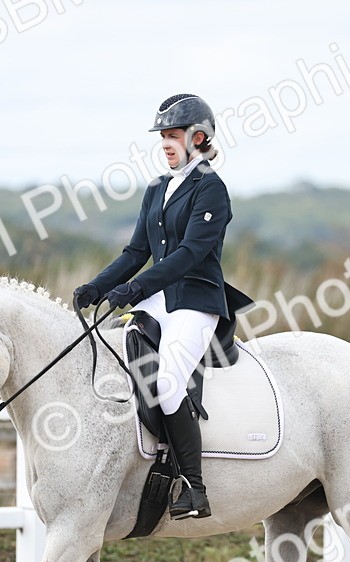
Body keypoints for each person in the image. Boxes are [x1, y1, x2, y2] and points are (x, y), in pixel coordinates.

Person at [74, 93, 253, 520]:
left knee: (169, 382)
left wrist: (133, 291)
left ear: (199, 137)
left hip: (195, 299)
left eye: (173, 136)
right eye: (164, 137)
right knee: (118, 351)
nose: (166, 144)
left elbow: (190, 254)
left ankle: (194, 485)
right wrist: (98, 287)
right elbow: (137, 251)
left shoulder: (211, 188)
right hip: (159, 299)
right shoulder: (157, 188)